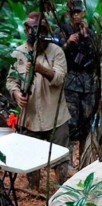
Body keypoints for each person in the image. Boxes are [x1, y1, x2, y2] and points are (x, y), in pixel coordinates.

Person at [6, 12, 70, 191]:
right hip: (31, 116)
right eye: (34, 30)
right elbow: (11, 81)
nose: (39, 35)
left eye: (42, 30)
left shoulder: (56, 51)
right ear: (27, 30)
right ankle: (34, 190)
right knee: (29, 155)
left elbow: (59, 78)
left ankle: (61, 190)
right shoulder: (19, 53)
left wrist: (40, 69)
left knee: (61, 156)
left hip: (56, 115)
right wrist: (17, 94)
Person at [54, 0, 97, 166]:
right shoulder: (62, 30)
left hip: (87, 83)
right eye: (73, 13)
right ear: (68, 14)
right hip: (71, 82)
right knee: (71, 123)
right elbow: (55, 54)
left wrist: (86, 37)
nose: (77, 16)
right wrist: (67, 43)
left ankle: (85, 162)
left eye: (79, 12)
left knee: (86, 123)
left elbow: (96, 55)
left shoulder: (89, 32)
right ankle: (69, 162)